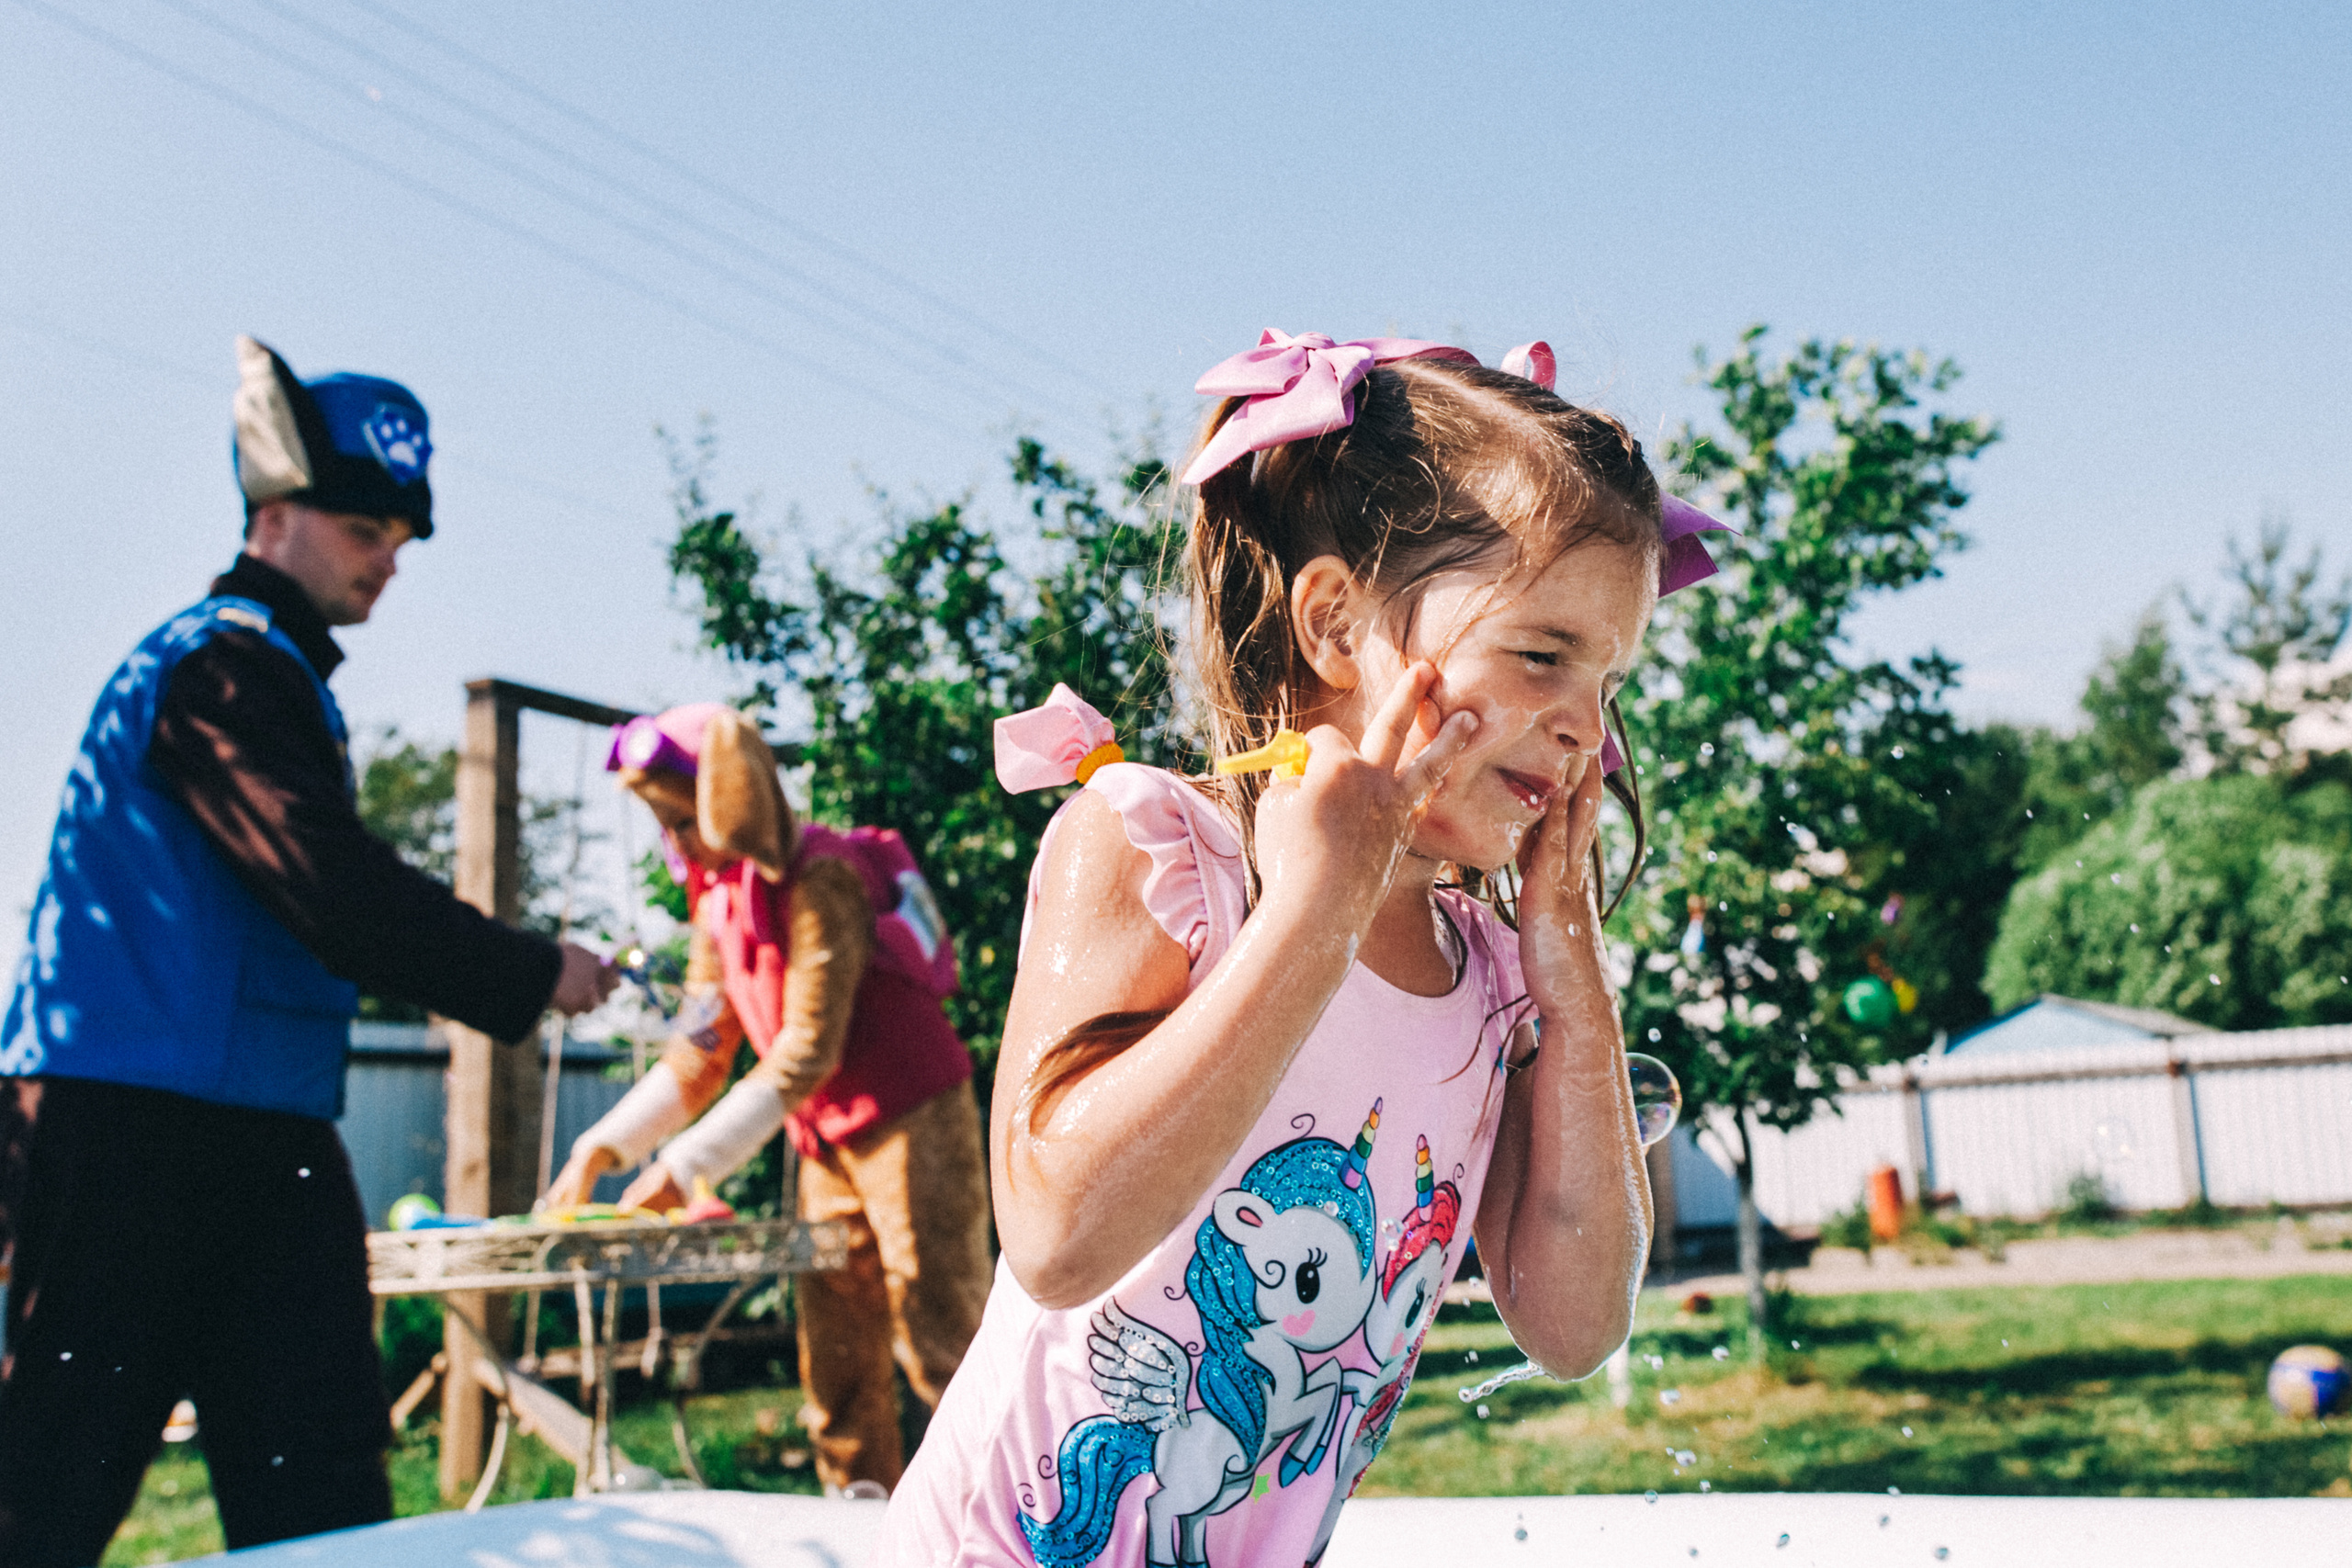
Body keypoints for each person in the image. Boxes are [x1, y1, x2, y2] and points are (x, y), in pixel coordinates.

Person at [877, 330, 1731, 1567]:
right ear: (1334, 623)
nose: (1586, 731)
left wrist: (1573, 983)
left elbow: (1576, 1323)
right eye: (1543, 655)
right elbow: (1058, 1240)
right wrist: (1315, 911)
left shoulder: (1492, 986)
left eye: (1608, 681)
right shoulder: (1163, 851)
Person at [0, 336, 617, 1565]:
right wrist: (529, 968)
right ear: (274, 515)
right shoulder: (214, 664)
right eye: (364, 526)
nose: (390, 555)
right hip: (121, 1133)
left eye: (402, 534)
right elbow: (328, 887)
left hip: (264, 1134)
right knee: (47, 1490)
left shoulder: (272, 673)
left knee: (321, 1488)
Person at [544, 703, 991, 1495]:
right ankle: (858, 1510)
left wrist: (686, 1167)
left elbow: (807, 1049)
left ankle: (1002, 1512)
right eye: (664, 827)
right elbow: (700, 1050)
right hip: (827, 1143)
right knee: (837, 1355)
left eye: (685, 821)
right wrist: (599, 1151)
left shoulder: (822, 877)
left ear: (732, 799)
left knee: (943, 1336)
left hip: (913, 1119)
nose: (677, 844)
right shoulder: (715, 900)